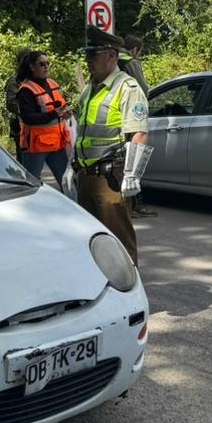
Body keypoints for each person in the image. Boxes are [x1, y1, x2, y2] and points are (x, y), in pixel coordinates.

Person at [69, 26, 152, 265]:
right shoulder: (90, 89)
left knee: (119, 240)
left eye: (94, 55)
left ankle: (129, 285)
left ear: (112, 56)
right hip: (86, 175)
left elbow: (139, 133)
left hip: (110, 179)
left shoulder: (127, 88)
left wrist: (132, 174)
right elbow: (83, 131)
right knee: (91, 239)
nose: (89, 60)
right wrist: (72, 165)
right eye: (87, 54)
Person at [15, 50, 72, 184]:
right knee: (32, 184)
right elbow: (28, 118)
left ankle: (68, 199)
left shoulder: (53, 84)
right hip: (36, 147)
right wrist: (54, 114)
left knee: (66, 182)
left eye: (47, 63)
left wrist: (65, 113)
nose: (46, 67)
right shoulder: (26, 90)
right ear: (32, 67)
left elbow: (59, 108)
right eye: (41, 64)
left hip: (57, 143)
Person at [119, 34, 156, 218]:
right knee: (133, 162)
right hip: (130, 117)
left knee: (120, 162)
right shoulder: (130, 62)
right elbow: (142, 89)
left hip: (113, 117)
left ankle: (128, 204)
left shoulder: (111, 60)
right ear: (135, 50)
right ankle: (134, 205)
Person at [4, 47, 30, 158]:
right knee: (23, 159)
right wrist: (29, 113)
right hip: (20, 126)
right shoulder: (14, 81)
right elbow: (11, 104)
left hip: (35, 127)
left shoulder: (34, 78)